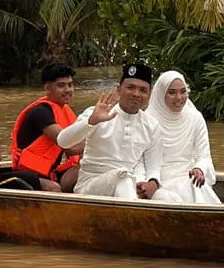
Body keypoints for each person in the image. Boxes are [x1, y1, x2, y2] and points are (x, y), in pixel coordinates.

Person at [56, 62, 168, 200]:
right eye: (130, 87)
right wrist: (91, 122)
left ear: (149, 95)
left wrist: (153, 183)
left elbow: (154, 165)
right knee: (123, 178)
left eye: (143, 90)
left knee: (166, 196)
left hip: (131, 184)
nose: (136, 94)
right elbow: (62, 141)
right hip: (91, 184)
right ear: (119, 89)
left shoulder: (152, 125)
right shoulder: (97, 113)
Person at [146, 71, 221, 204]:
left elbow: (204, 155)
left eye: (183, 91)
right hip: (159, 178)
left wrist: (199, 169)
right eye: (172, 92)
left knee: (194, 185)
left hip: (189, 176)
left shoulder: (195, 118)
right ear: (161, 94)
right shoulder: (148, 120)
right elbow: (142, 159)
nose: (179, 98)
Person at [9, 63, 82, 192]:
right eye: (61, 85)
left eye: (70, 85)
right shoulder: (41, 112)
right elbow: (69, 146)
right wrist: (101, 142)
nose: (68, 90)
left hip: (48, 172)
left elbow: (76, 146)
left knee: (86, 170)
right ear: (48, 87)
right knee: (54, 188)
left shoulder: (64, 111)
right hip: (28, 174)